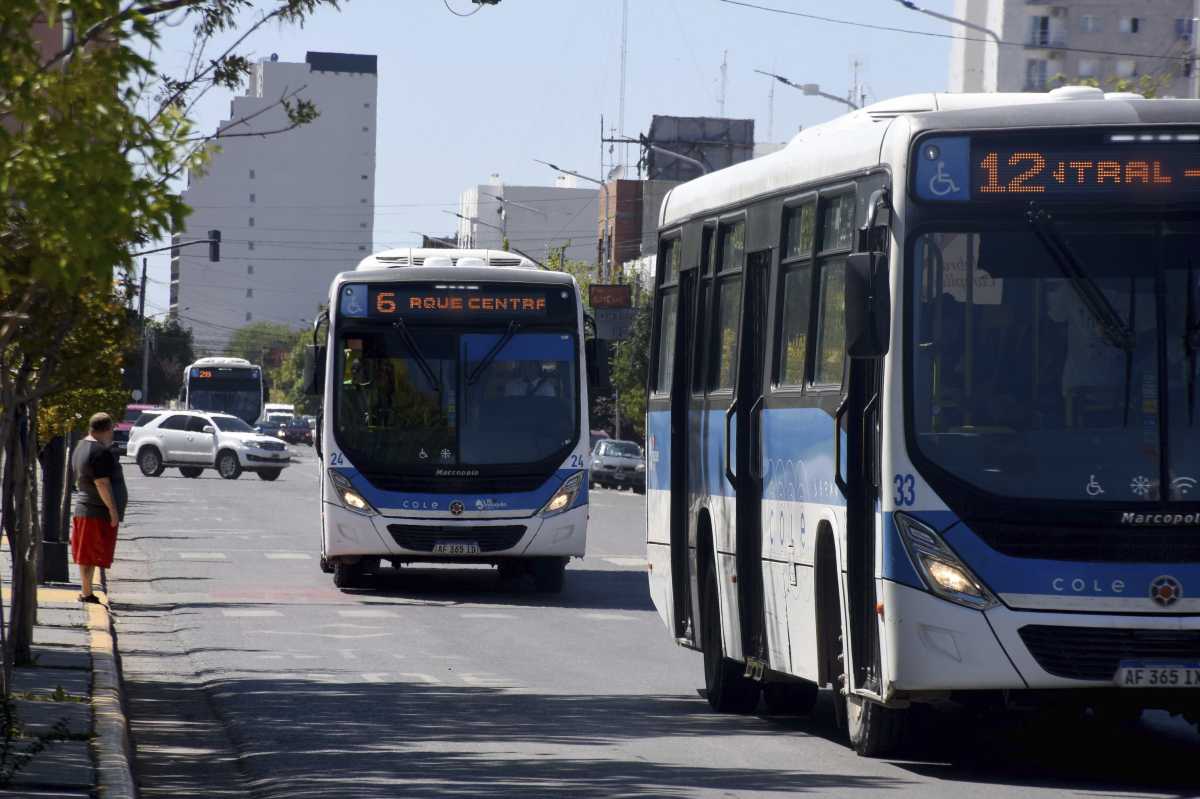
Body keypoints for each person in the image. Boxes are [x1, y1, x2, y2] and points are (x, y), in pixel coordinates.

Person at [70, 412, 126, 603]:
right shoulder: (98, 452)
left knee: (88, 554)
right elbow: (102, 483)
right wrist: (113, 510)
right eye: (112, 430)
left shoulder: (80, 446)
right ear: (108, 429)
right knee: (88, 554)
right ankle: (86, 593)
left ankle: (87, 592)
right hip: (94, 510)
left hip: (86, 508)